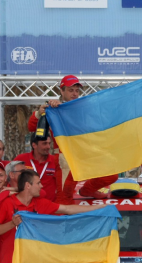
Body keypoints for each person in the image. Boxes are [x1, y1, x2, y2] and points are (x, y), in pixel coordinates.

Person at [29, 74, 118, 204]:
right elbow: (31, 127)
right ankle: (67, 216)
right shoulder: (53, 109)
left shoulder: (84, 108)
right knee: (64, 199)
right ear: (62, 91)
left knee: (111, 175)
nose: (75, 93)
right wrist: (39, 113)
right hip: (65, 159)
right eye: (71, 90)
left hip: (87, 155)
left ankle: (88, 190)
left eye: (77, 90)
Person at [14, 135, 60, 202]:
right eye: (44, 143)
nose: (48, 147)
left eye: (49, 143)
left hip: (48, 205)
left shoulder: (56, 161)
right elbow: (11, 180)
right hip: (26, 205)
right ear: (34, 145)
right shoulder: (20, 159)